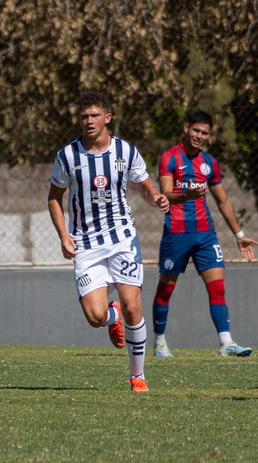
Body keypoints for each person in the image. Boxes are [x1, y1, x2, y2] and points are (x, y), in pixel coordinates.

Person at [47, 91, 169, 393]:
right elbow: (54, 198)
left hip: (122, 240)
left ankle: (137, 376)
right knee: (95, 317)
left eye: (94, 115)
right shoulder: (68, 156)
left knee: (133, 308)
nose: (88, 121)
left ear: (107, 118)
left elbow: (144, 187)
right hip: (85, 245)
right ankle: (110, 314)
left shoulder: (125, 152)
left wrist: (155, 198)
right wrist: (64, 236)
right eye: (84, 116)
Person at [150, 110, 258, 358]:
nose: (199, 136)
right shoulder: (169, 158)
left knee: (217, 288)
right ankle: (159, 343)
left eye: (205, 133)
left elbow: (223, 202)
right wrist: (186, 195)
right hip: (176, 233)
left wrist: (239, 234)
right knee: (165, 290)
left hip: (205, 235)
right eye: (196, 130)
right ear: (186, 128)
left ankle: (226, 343)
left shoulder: (210, 163)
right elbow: (165, 193)